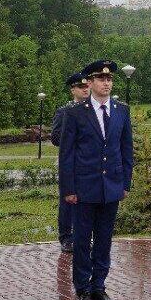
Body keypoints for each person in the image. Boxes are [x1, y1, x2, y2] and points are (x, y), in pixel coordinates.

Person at [58, 60, 134, 300]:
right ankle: (82, 289)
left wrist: (125, 183)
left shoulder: (121, 111)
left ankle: (99, 286)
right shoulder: (75, 112)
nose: (106, 83)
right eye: (101, 80)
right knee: (81, 241)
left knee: (104, 240)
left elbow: (126, 150)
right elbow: (66, 154)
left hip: (111, 187)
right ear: (90, 83)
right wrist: (68, 189)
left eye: (110, 79)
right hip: (83, 189)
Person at [50, 72, 90, 254]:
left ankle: (83, 236)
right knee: (67, 201)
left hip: (89, 163)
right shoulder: (65, 111)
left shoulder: (93, 110)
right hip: (71, 162)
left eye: (87, 86)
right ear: (73, 90)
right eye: (81, 87)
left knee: (87, 201)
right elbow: (56, 137)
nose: (85, 90)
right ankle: (66, 237)